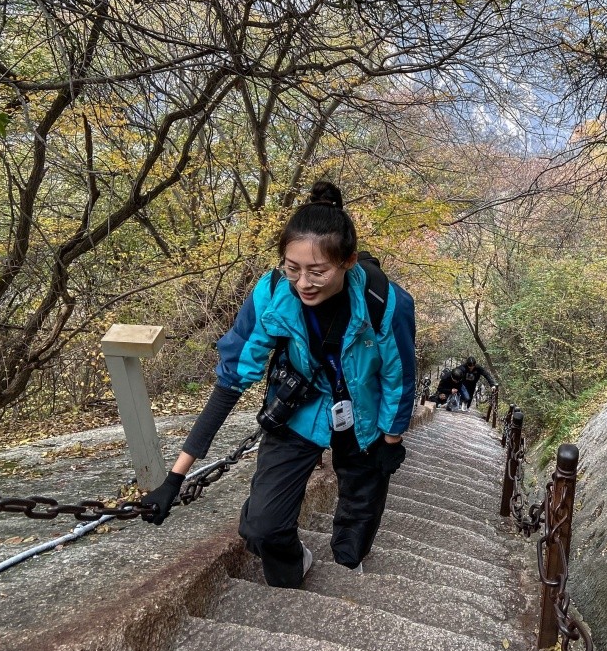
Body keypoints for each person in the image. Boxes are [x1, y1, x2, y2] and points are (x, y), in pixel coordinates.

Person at [140, 181, 417, 589]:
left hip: (365, 414)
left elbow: (399, 376)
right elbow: (231, 380)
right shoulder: (271, 293)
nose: (303, 282)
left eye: (318, 270)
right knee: (262, 529)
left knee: (361, 502)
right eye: (292, 268)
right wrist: (175, 477)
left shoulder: (386, 302)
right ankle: (294, 568)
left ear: (349, 262)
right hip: (299, 409)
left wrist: (391, 443)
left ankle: (348, 569)